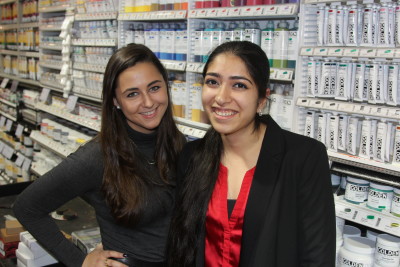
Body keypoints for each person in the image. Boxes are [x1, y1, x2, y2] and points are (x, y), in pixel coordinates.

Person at [13, 43, 185, 267]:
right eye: (132, 94)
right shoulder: (98, 156)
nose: (149, 102)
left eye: (154, 88)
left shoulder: (175, 141)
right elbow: (27, 207)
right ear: (116, 102)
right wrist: (80, 261)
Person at [167, 41, 336, 267]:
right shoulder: (192, 156)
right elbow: (181, 244)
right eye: (213, 82)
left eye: (239, 85)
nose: (221, 97)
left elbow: (317, 257)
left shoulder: (303, 157)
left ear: (262, 98)